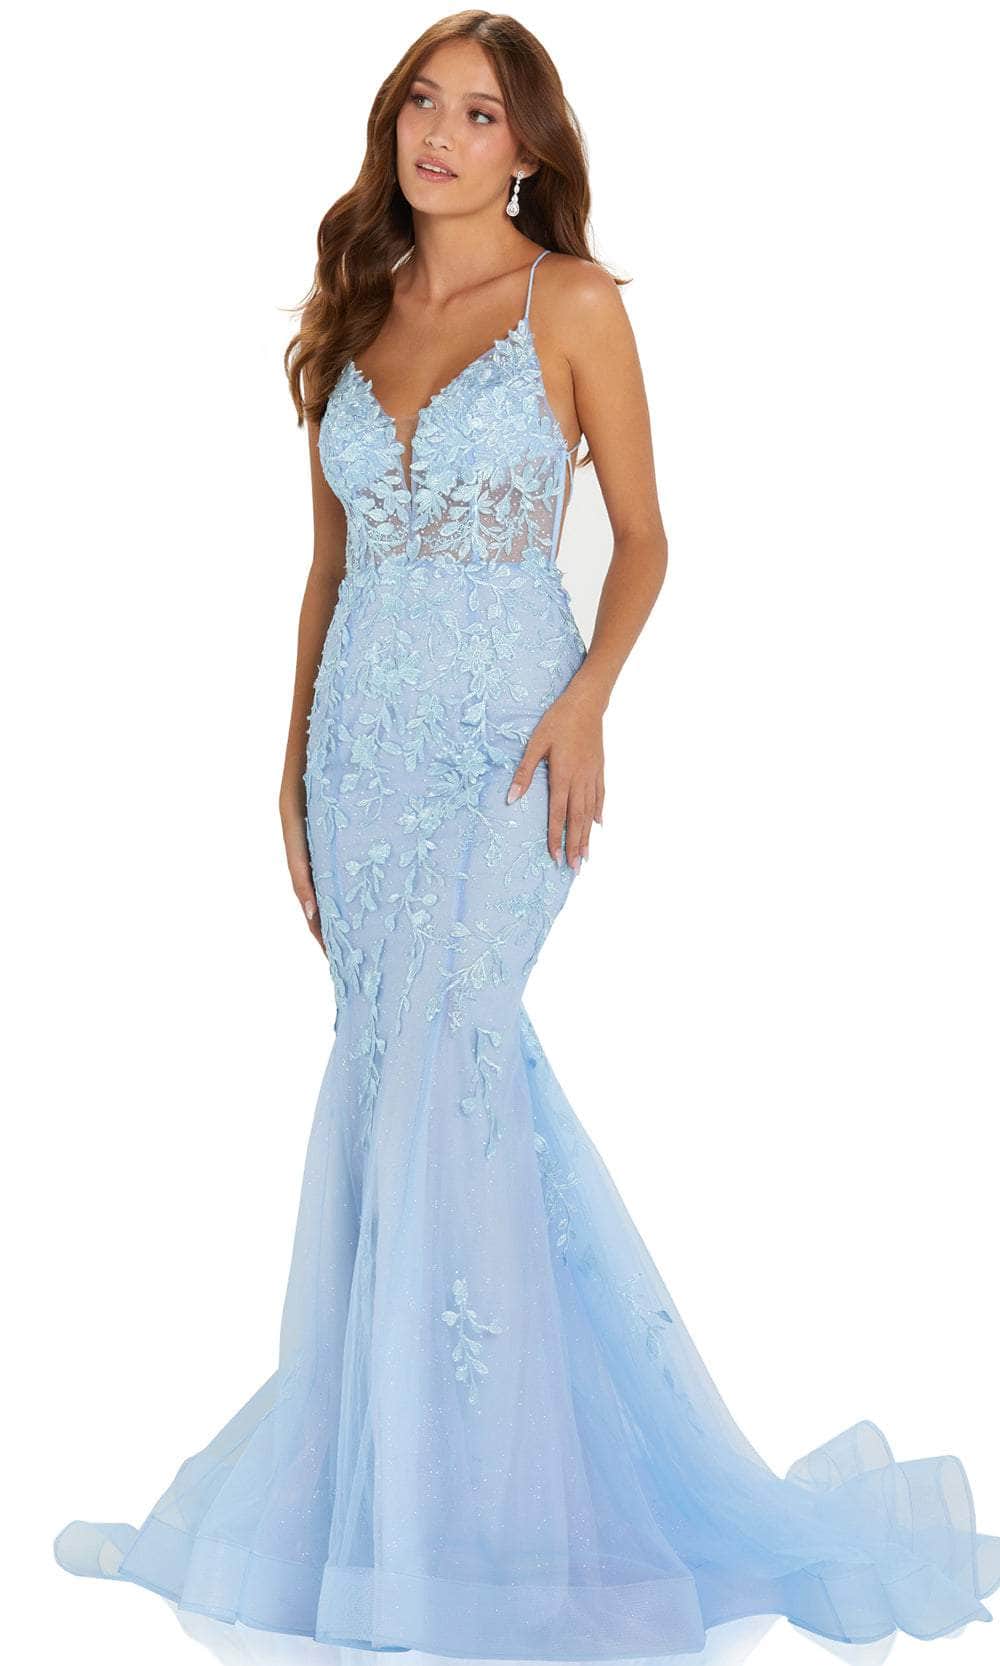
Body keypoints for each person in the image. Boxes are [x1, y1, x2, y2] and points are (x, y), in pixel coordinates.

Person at [53, 14, 999, 1661]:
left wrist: (588, 703)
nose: (441, 133)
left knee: (456, 1057)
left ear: (529, 148)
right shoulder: (353, 313)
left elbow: (643, 538)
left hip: (508, 746)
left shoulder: (571, 303)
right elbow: (328, 569)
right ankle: (401, 1507)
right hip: (362, 754)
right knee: (399, 1082)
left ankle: (495, 1532)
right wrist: (288, 766)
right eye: (422, 103)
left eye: (480, 113)